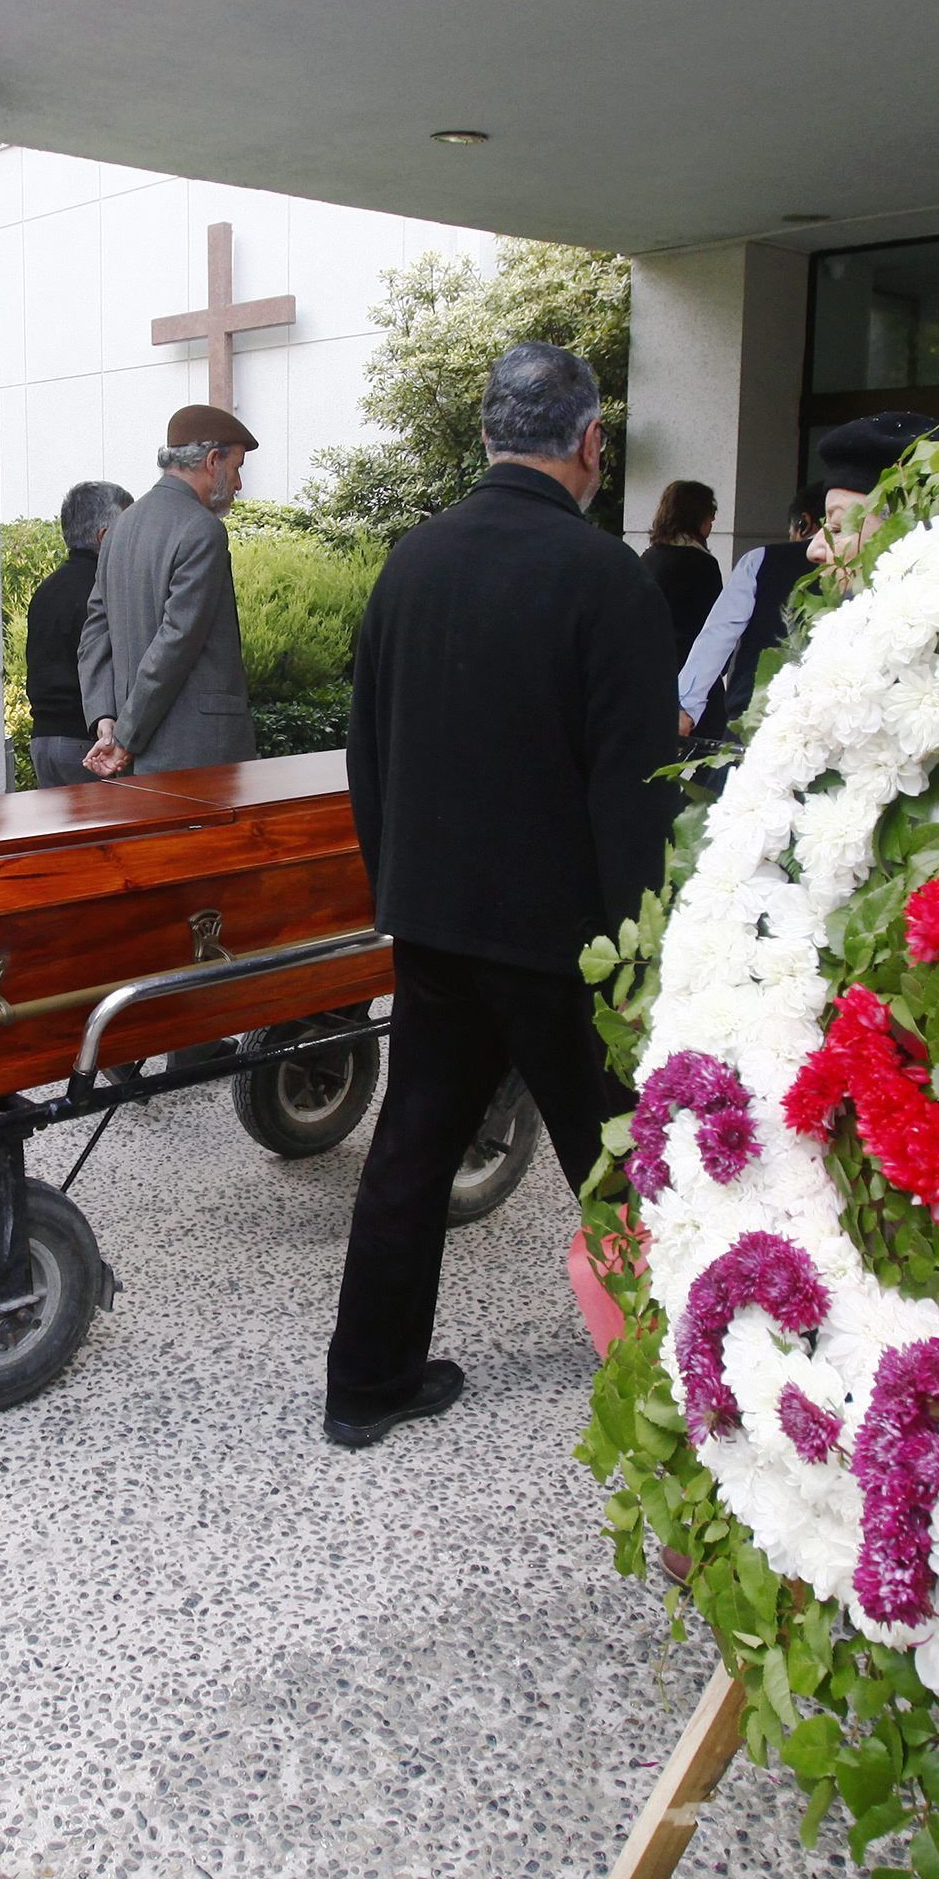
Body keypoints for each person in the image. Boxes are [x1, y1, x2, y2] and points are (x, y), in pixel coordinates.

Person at [324, 344, 678, 1449]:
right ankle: (681, 1385)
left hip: (434, 918)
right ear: (590, 443)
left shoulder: (412, 560)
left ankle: (366, 1384)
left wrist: (399, 885)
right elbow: (633, 791)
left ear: (486, 435)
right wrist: (642, 953)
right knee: (617, 1165)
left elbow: (366, 749)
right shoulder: (605, 576)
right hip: (565, 941)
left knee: (411, 1149)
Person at [678, 413, 939, 738]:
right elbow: (716, 637)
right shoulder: (764, 566)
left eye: (838, 527)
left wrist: (685, 706)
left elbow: (716, 637)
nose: (814, 550)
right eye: (827, 524)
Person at [79, 403, 258, 778]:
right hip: (197, 754)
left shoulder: (120, 527)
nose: (238, 483)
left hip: (138, 752)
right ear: (212, 461)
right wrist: (125, 737)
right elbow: (176, 640)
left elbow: (95, 631)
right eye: (237, 466)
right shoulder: (202, 529)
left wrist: (105, 718)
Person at [23, 480, 134, 788]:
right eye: (127, 528)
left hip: (43, 740)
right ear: (105, 536)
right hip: (89, 744)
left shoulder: (47, 588)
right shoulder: (103, 590)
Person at [640, 479, 724, 663]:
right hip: (687, 665)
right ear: (697, 515)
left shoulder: (648, 557)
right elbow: (715, 625)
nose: (713, 519)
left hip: (647, 662)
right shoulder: (702, 564)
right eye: (711, 512)